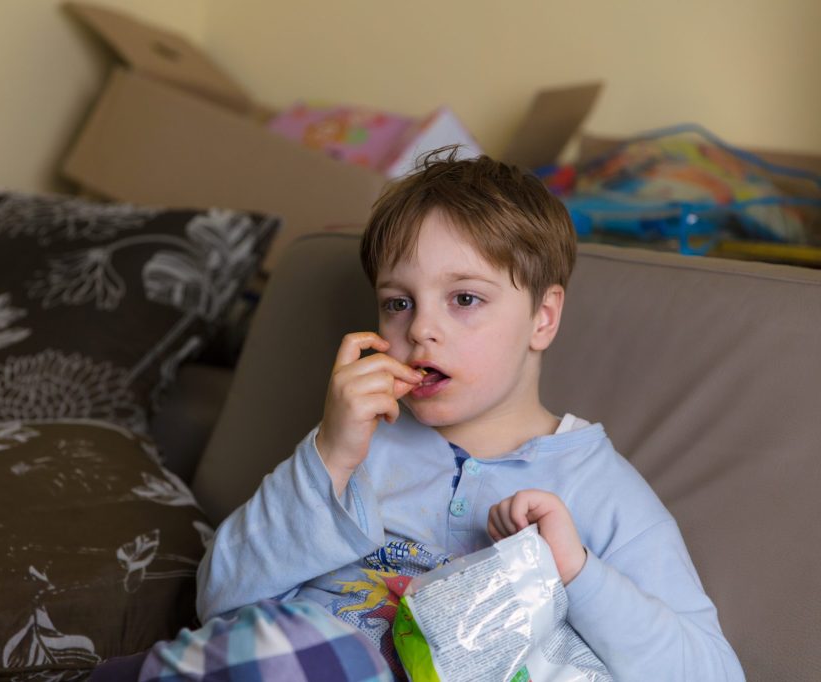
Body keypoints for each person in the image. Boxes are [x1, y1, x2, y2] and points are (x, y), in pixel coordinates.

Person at [132, 152, 745, 681]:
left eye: (465, 299)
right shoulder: (355, 442)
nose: (420, 328)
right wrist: (330, 454)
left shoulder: (599, 491)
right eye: (398, 303)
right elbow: (217, 597)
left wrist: (575, 572)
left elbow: (713, 672)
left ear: (543, 317)